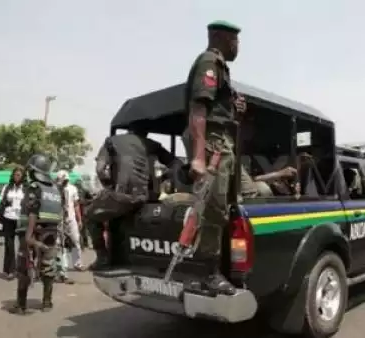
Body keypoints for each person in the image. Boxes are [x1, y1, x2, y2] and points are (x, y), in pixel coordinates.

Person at [179, 20, 248, 295]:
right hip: (212, 146)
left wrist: (236, 108)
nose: (237, 47)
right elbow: (199, 108)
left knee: (222, 209)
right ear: (220, 37)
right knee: (212, 209)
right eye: (235, 41)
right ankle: (208, 273)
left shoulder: (222, 68)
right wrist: (198, 157)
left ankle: (216, 269)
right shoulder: (209, 61)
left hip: (222, 143)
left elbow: (220, 111)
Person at [88, 123, 182, 270]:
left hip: (121, 196)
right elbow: (176, 163)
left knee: (90, 216)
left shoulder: (111, 141)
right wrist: (165, 178)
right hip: (145, 197)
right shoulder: (152, 144)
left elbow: (101, 170)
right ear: (145, 134)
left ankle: (103, 258)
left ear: (129, 130)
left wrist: (109, 187)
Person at [10, 154, 63, 315]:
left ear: (34, 171)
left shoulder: (34, 187)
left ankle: (21, 305)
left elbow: (32, 211)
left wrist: (28, 236)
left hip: (31, 232)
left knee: (24, 266)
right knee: (49, 266)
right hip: (51, 232)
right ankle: (47, 303)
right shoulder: (54, 189)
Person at [0, 167, 25, 280]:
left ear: (23, 176)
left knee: (23, 245)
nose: (17, 177)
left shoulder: (25, 188)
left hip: (21, 218)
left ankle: (22, 270)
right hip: (8, 217)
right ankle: (10, 270)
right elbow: (0, 202)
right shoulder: (7, 187)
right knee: (9, 245)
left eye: (19, 175)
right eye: (15, 175)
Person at [56, 170, 86, 271]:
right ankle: (62, 265)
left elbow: (76, 205)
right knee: (60, 242)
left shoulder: (73, 189)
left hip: (71, 218)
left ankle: (77, 263)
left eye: (66, 180)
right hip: (59, 219)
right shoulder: (55, 189)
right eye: (62, 180)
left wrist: (79, 220)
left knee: (76, 240)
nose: (64, 182)